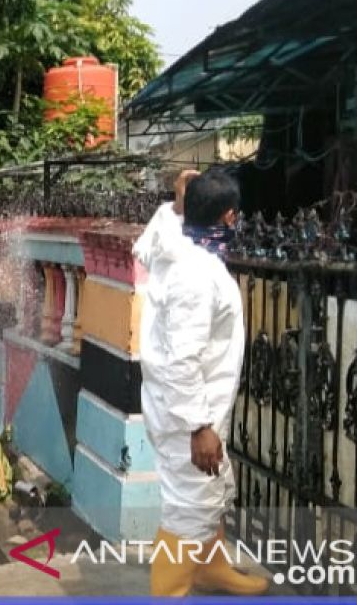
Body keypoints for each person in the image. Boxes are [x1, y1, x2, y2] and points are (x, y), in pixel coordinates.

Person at [134, 169, 268, 597]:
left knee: (211, 492)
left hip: (188, 404)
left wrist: (177, 206)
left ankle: (212, 569)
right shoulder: (196, 274)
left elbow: (149, 244)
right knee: (189, 510)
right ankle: (167, 592)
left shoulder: (179, 246)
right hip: (186, 414)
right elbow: (183, 359)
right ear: (230, 218)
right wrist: (199, 426)